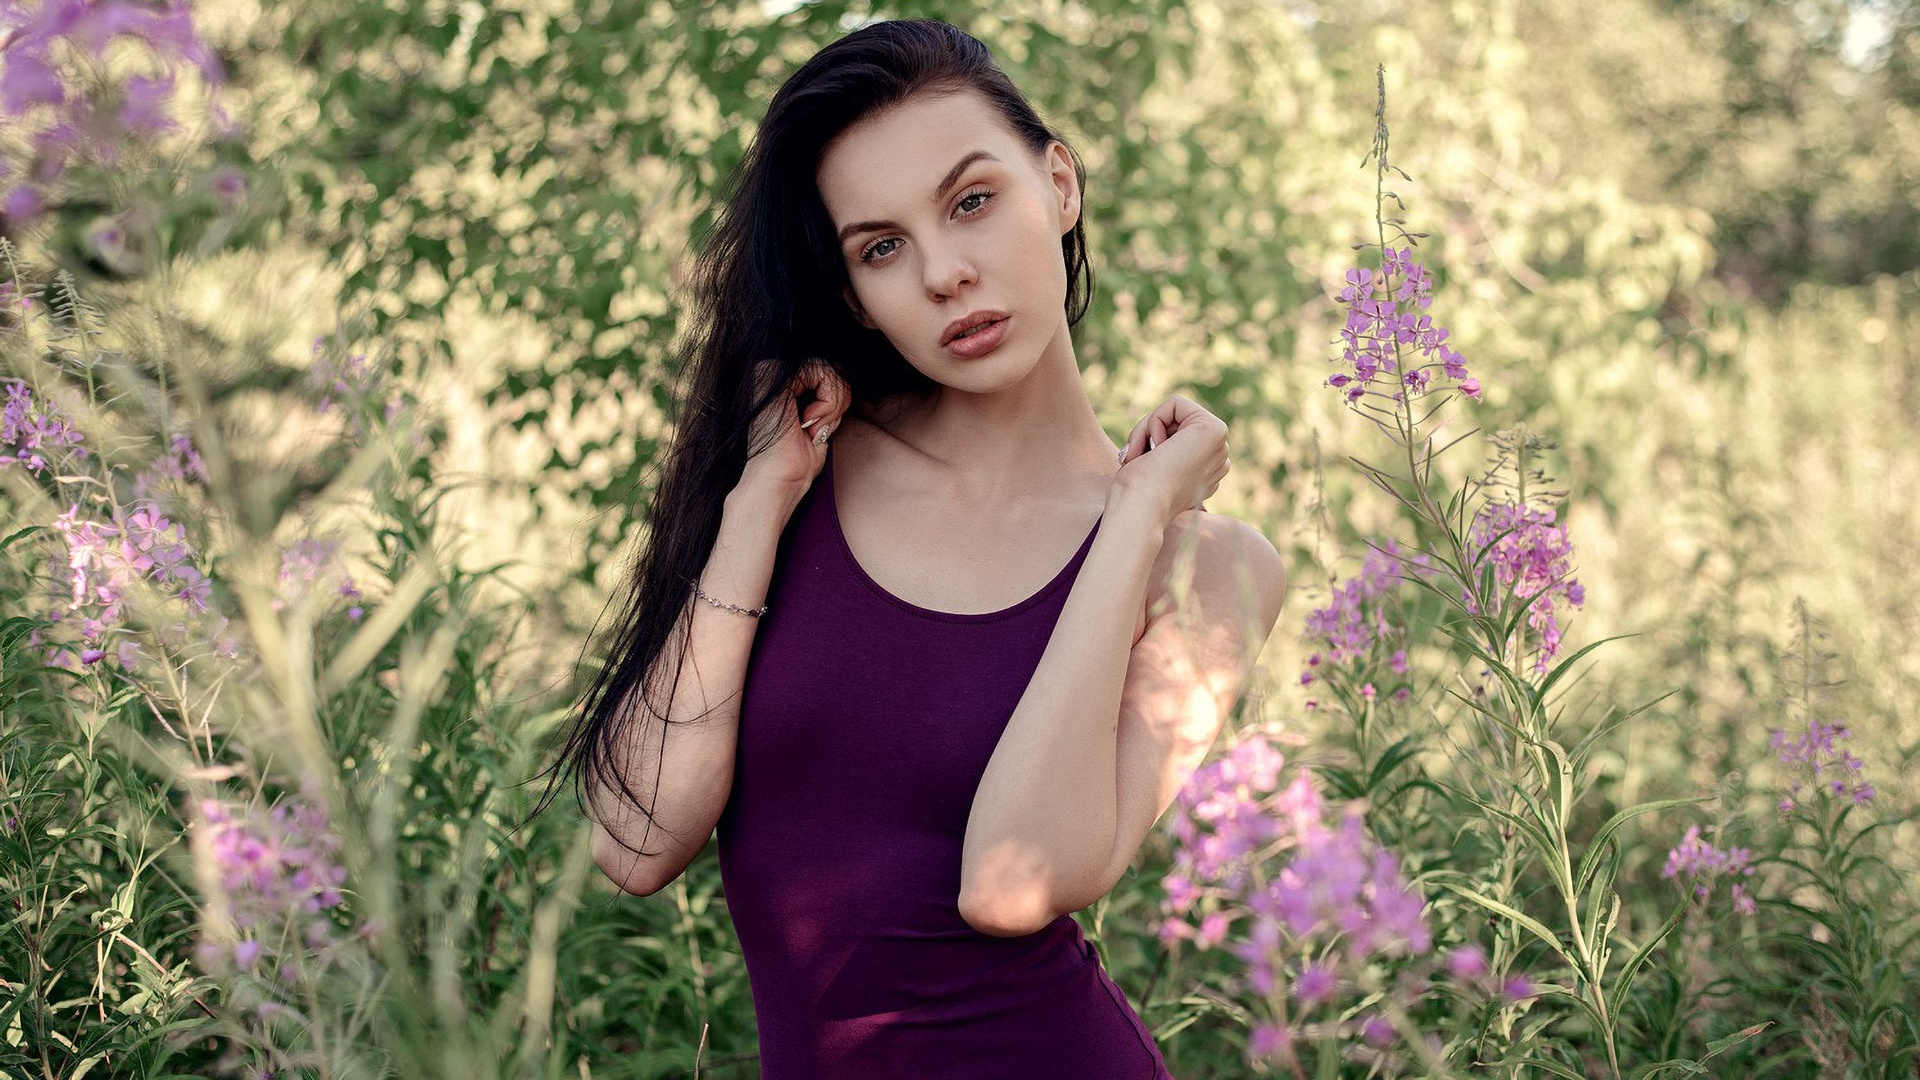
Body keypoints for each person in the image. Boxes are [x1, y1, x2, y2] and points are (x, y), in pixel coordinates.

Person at [543, 18, 1285, 1078]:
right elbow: (635, 836)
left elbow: (1010, 884)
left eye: (972, 201)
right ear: (853, 294)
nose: (944, 272)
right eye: (881, 247)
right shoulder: (798, 472)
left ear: (1059, 187)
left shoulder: (1209, 569)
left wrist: (1134, 519)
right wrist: (758, 502)